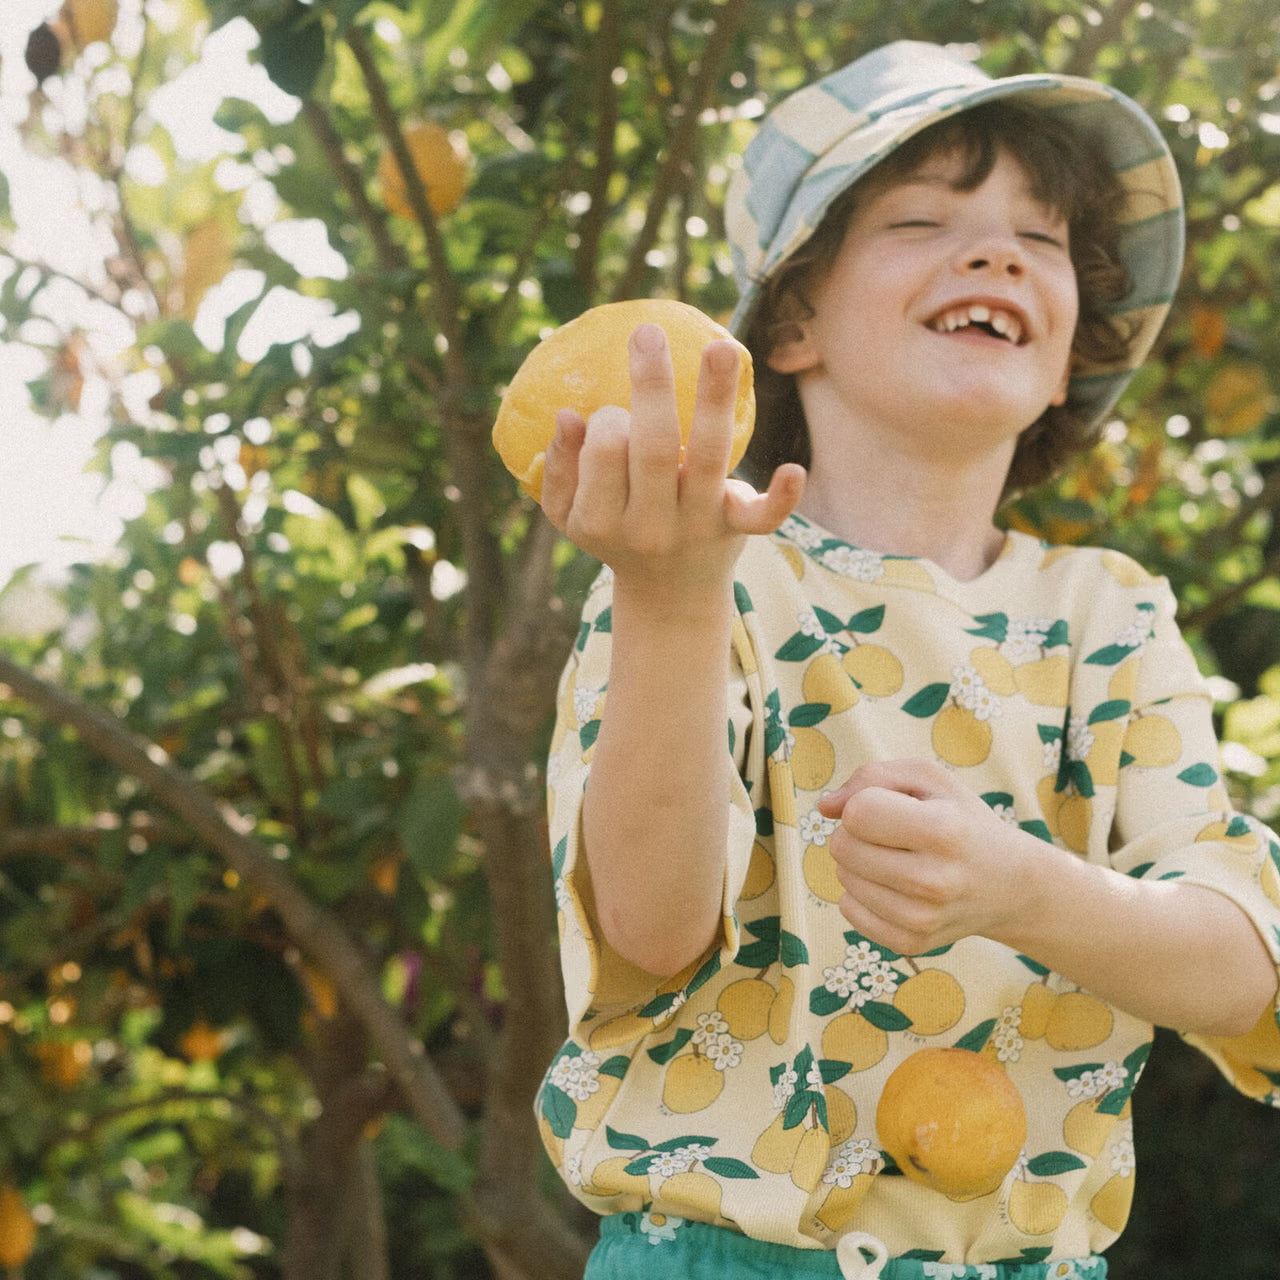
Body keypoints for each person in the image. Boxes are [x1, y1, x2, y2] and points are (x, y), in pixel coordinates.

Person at [532, 40, 1280, 1280]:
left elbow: (1243, 962)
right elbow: (651, 936)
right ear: (792, 320)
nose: (993, 254)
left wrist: (1022, 889)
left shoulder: (1108, 616)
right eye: (923, 218)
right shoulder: (697, 572)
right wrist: (666, 604)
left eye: (1037, 243)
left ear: (1064, 358)